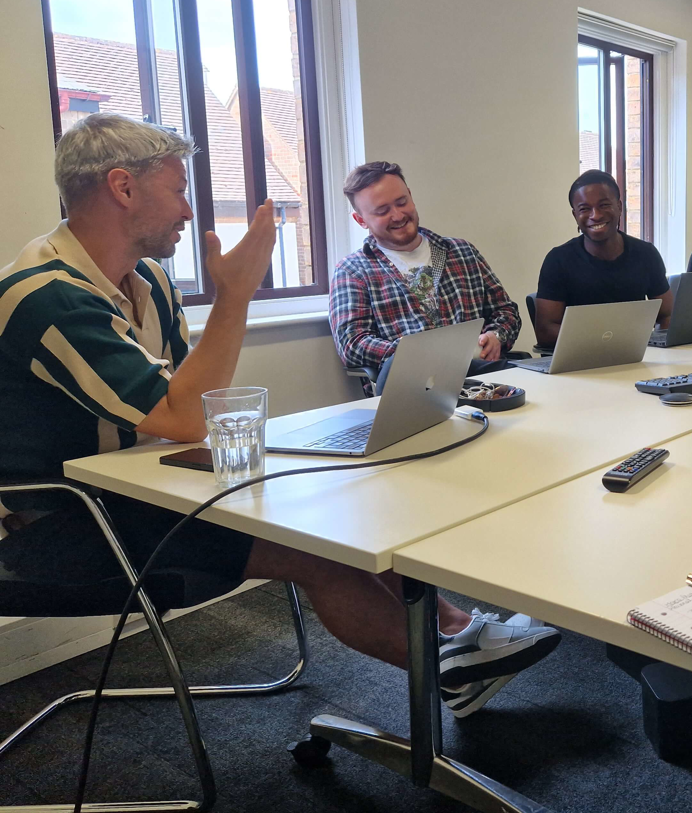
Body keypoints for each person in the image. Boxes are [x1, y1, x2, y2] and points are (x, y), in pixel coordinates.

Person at [0, 116, 557, 718]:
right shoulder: (43, 295)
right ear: (123, 188)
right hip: (63, 520)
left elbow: (196, 403)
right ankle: (449, 669)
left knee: (341, 505)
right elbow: (185, 416)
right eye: (180, 190)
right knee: (316, 547)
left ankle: (454, 630)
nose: (189, 211)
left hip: (144, 489)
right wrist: (235, 294)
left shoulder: (149, 282)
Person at [329, 161, 522, 394]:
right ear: (361, 220)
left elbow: (506, 311)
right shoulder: (352, 271)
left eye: (402, 202)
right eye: (382, 211)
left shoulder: (462, 251)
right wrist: (411, 354)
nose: (398, 215)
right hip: (414, 389)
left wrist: (496, 335)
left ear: (410, 196)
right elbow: (352, 343)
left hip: (483, 383)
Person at [534, 169, 672, 348]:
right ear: (575, 215)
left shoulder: (646, 254)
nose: (595, 215)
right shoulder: (558, 261)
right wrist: (605, 340)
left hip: (637, 356)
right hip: (579, 362)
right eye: (584, 209)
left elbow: (667, 315)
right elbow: (545, 330)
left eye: (604, 205)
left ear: (619, 207)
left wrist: (658, 348)